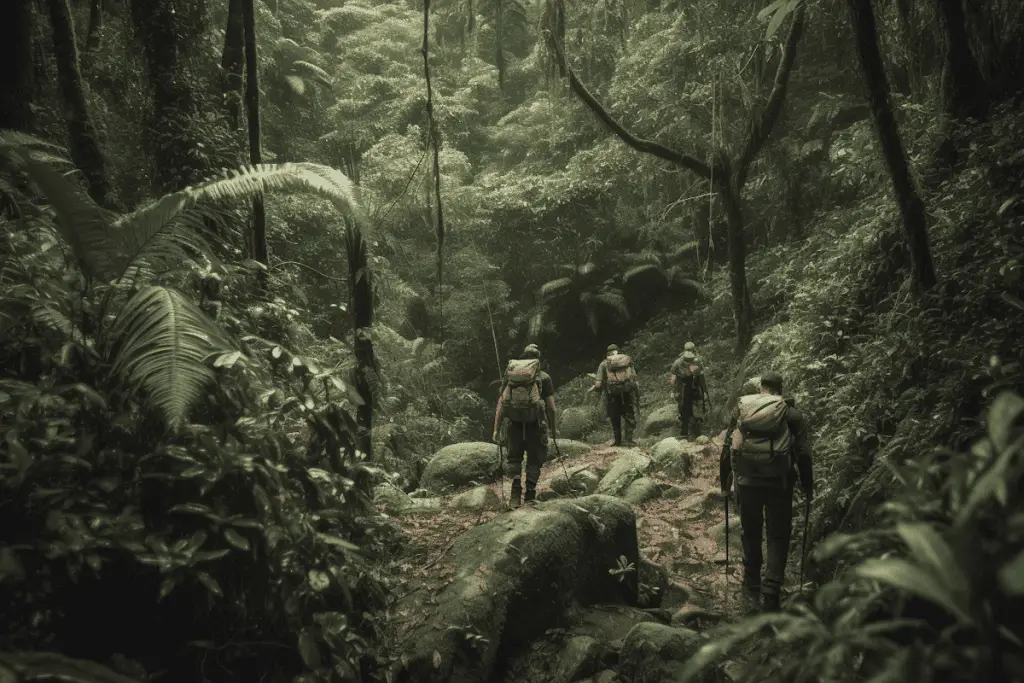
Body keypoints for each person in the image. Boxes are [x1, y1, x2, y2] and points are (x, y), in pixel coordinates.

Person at [719, 371, 813, 613]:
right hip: (779, 483)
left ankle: (751, 584)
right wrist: (808, 486)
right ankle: (771, 588)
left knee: (750, 531)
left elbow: (727, 448)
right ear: (781, 388)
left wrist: (724, 484)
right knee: (778, 534)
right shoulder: (792, 415)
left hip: (747, 482)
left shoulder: (742, 410)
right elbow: (803, 454)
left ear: (761, 388)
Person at [492, 344, 557, 507]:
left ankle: (514, 495)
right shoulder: (544, 377)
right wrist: (553, 429)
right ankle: (529, 495)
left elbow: (501, 403)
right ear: (538, 360)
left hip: (514, 425)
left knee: (514, 459)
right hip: (536, 425)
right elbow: (552, 407)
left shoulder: (511, 376)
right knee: (534, 460)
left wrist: (496, 429)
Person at [589, 344, 639, 446]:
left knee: (615, 417)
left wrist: (595, 387)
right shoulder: (625, 361)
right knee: (629, 415)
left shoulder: (604, 364)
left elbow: (598, 384)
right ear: (618, 351)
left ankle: (617, 441)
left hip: (612, 395)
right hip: (627, 392)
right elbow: (634, 377)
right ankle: (629, 440)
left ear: (607, 353)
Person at [669, 342, 709, 439]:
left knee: (684, 411)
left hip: (683, 389)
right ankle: (698, 434)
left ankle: (684, 434)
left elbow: (673, 379)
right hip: (696, 388)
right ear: (694, 349)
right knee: (697, 409)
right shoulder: (699, 360)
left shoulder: (678, 361)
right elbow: (702, 377)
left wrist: (673, 391)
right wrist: (705, 391)